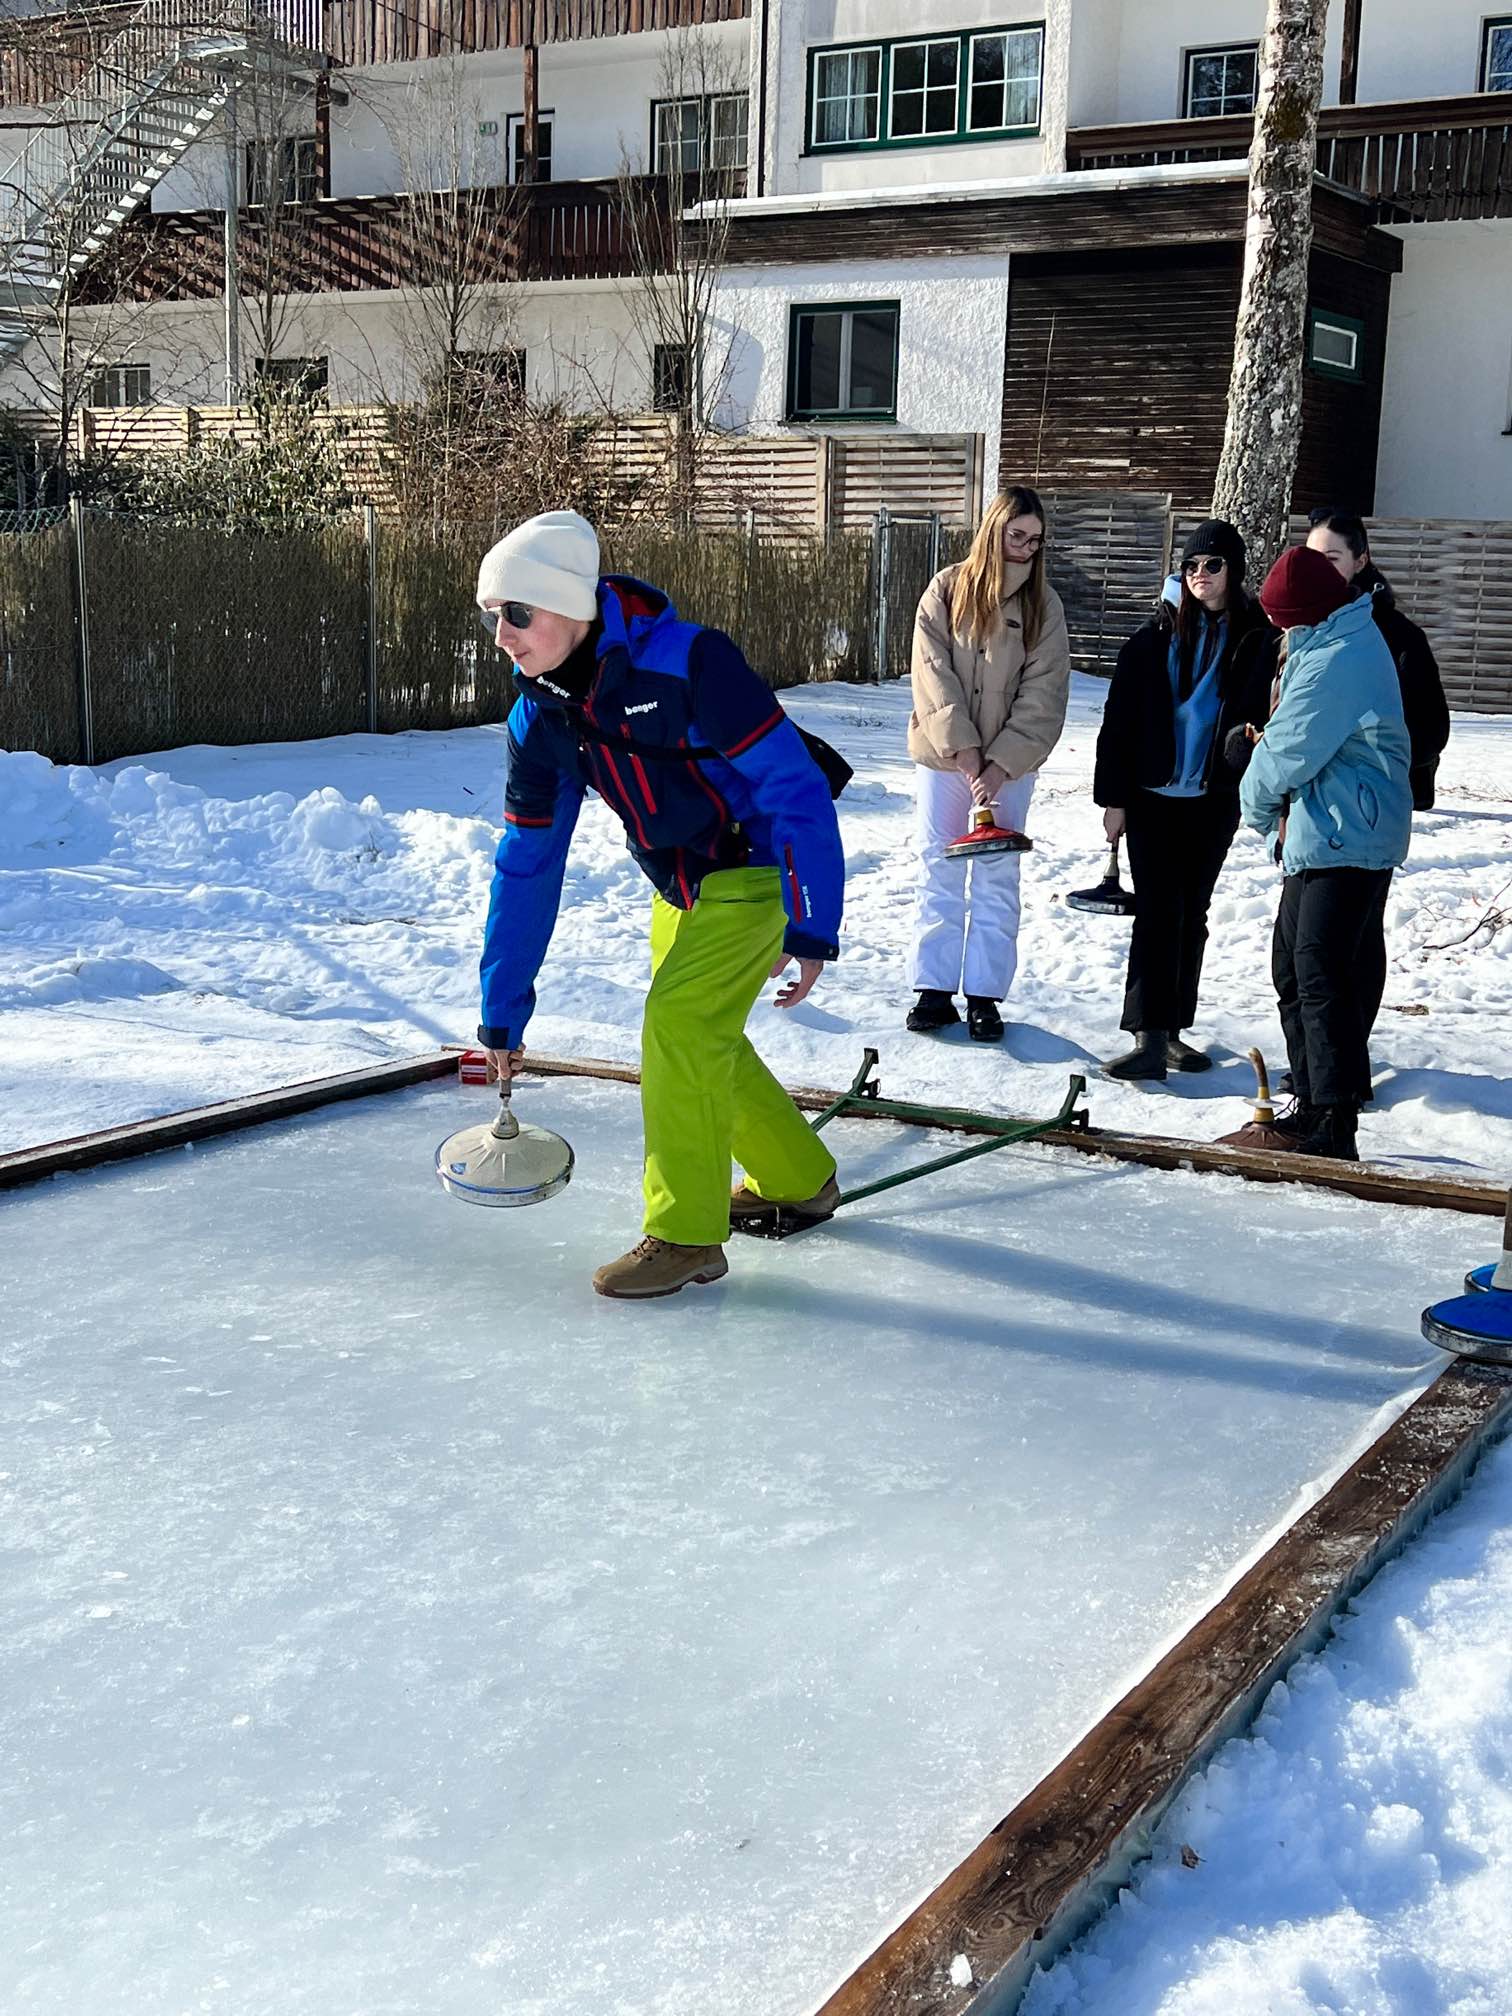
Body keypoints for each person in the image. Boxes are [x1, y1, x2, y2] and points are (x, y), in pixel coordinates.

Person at [473, 509, 845, 1299]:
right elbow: (528, 863)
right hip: (679, 881)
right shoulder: (539, 718)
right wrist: (502, 1010)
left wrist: (812, 923)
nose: (501, 633)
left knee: (678, 1024)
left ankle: (684, 1236)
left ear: (572, 606)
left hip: (758, 865)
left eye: (517, 612)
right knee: (697, 1033)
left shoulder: (691, 664)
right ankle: (799, 1177)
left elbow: (795, 786)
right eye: (492, 615)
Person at [1239, 545, 1412, 1162]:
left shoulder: (1338, 658)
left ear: (1305, 613)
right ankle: (1312, 1099)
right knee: (1294, 967)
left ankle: (1334, 1121)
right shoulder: (1330, 641)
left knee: (1320, 974)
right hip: (1325, 830)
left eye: (1284, 619)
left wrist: (1253, 803)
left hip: (1349, 834)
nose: (1280, 630)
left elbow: (1288, 750)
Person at [1093, 519, 1279, 1081]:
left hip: (1212, 797)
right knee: (1156, 910)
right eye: (1191, 566)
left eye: (1213, 565)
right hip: (1151, 796)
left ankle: (1173, 1029)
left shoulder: (1258, 639)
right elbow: (1118, 723)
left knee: (1191, 913)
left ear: (1235, 570)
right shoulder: (1152, 638)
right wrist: (1114, 800)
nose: (1200, 576)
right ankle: (1147, 1036)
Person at [905, 485, 1071, 1043]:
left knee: (998, 875)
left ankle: (984, 994)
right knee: (940, 867)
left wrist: (1000, 762)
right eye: (1015, 535)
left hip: (1009, 766)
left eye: (1034, 541)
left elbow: (1045, 692)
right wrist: (964, 750)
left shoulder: (1044, 607)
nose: (1024, 548)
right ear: (993, 528)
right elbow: (931, 671)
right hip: (945, 759)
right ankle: (933, 989)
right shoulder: (946, 589)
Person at [1305, 509, 1450, 811]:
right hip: (1303, 799)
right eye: (1312, 558)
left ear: (1359, 561)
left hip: (1370, 802)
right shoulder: (1292, 628)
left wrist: (1370, 767)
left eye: (1331, 559)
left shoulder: (1398, 635)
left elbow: (1429, 729)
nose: (1319, 569)